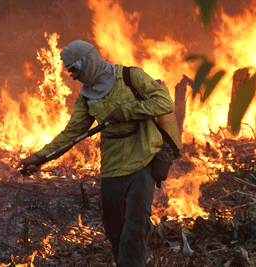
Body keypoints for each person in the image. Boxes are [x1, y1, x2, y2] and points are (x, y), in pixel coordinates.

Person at [16, 40, 175, 266]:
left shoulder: (130, 76)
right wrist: (40, 157)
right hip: (112, 168)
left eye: (74, 69)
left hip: (143, 161)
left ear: (88, 62)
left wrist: (128, 111)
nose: (71, 76)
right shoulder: (86, 97)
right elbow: (72, 132)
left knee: (136, 227)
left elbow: (164, 102)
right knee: (115, 231)